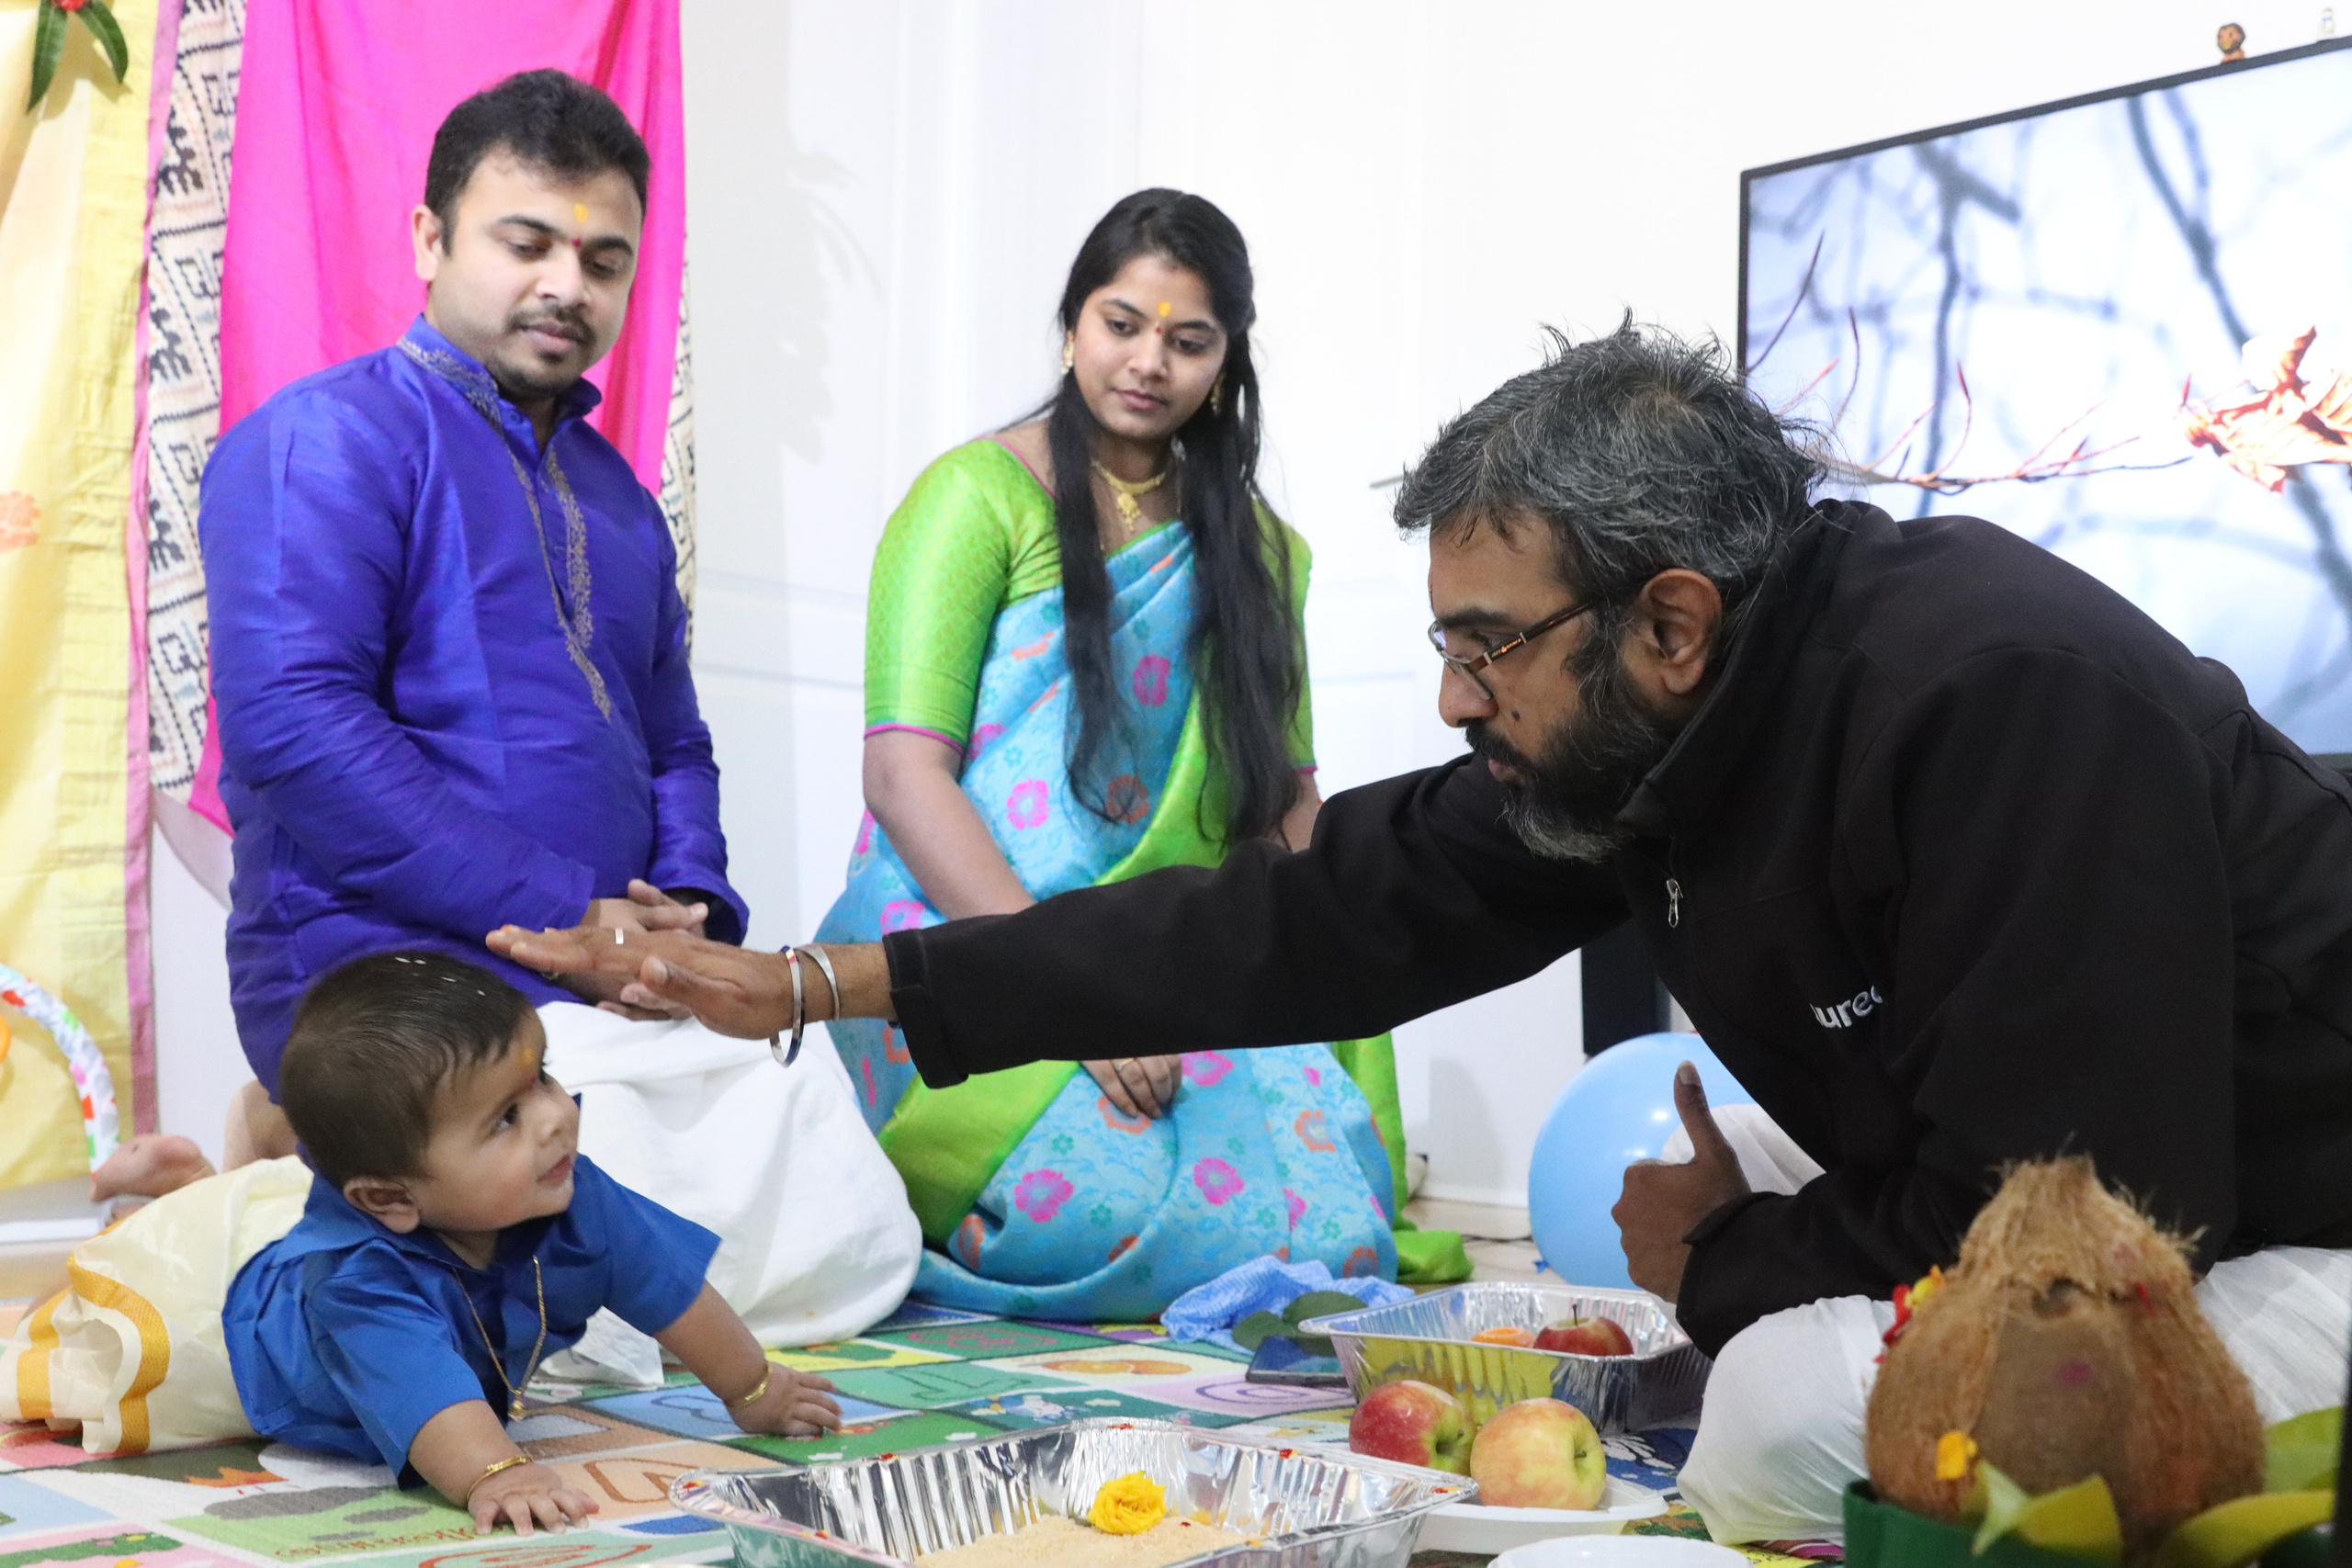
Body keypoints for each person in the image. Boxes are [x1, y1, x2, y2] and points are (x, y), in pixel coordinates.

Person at [495, 321, 2352, 1537]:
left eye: (1484, 645)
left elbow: (2076, 1229)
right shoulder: (1668, 726)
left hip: (2258, 1221)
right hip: (2039, 1149)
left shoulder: (1994, 698)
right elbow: (1311, 913)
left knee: (1781, 1408)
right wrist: (832, 981)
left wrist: (1727, 1260)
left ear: (1670, 620)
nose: (1456, 700)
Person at [181, 69, 920, 1343]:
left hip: (605, 971)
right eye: (526, 242)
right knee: (591, 1176)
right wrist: (564, 911)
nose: (567, 286)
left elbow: (674, 739)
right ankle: (274, 1152)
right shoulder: (325, 441)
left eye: (603, 258)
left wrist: (683, 911)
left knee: (822, 1171)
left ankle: (282, 1161)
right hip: (387, 963)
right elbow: (298, 728)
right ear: (430, 240)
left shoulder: (619, 499)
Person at [810, 188, 1439, 1320]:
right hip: (974, 936)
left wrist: (1357, 930)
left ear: (1225, 361)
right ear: (1071, 326)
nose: (1149, 360)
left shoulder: (1259, 552)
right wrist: (1064, 994)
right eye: (1121, 323)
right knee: (1078, 1220)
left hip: (1174, 945)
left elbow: (1280, 799)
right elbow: (904, 776)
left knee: (1336, 1230)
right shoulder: (972, 500)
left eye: (1188, 339)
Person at [3, 953, 842, 1534]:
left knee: (268, 1203)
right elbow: (434, 1403)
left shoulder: (569, 1189)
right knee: (113, 1344)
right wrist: (495, 1473)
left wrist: (755, 1387)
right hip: (238, 1343)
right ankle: (162, 1202)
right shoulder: (356, 1286)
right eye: (507, 1117)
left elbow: (672, 1291)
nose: (555, 1115)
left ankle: (199, 1174)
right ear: (391, 1198)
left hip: (349, 1217)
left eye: (541, 1075)